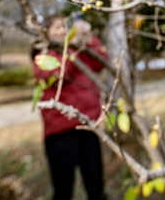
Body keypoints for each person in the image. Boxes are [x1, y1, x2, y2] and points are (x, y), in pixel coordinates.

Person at [33, 14, 108, 200]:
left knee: (96, 186)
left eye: (65, 26)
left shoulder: (78, 51)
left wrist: (89, 38)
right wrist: (71, 48)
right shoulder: (43, 57)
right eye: (57, 27)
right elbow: (60, 74)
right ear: (47, 33)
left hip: (88, 128)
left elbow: (101, 62)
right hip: (61, 135)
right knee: (63, 190)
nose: (63, 31)